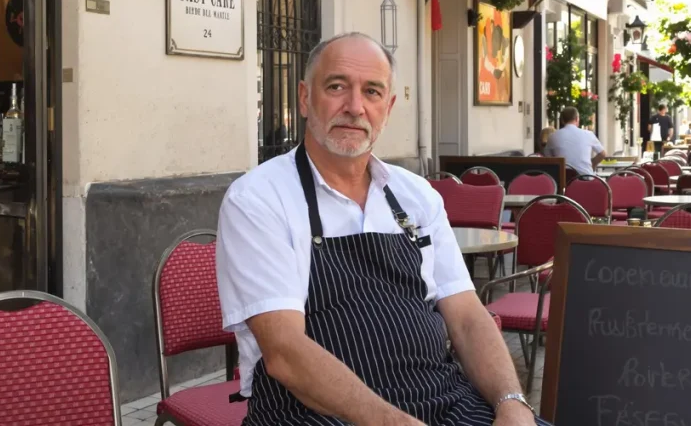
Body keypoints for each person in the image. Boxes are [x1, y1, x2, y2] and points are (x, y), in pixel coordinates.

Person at [216, 33, 542, 425]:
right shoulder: (258, 198)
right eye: (336, 87)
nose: (355, 107)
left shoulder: (416, 195)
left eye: (372, 92)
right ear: (304, 98)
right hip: (311, 413)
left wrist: (511, 402)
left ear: (387, 108)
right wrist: (395, 422)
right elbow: (285, 353)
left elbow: (468, 319)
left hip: (442, 401)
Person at [543, 106, 607, 176]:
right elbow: (602, 154)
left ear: (562, 120)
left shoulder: (552, 137)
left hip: (561, 180)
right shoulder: (588, 134)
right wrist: (593, 164)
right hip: (585, 178)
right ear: (577, 119)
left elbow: (548, 158)